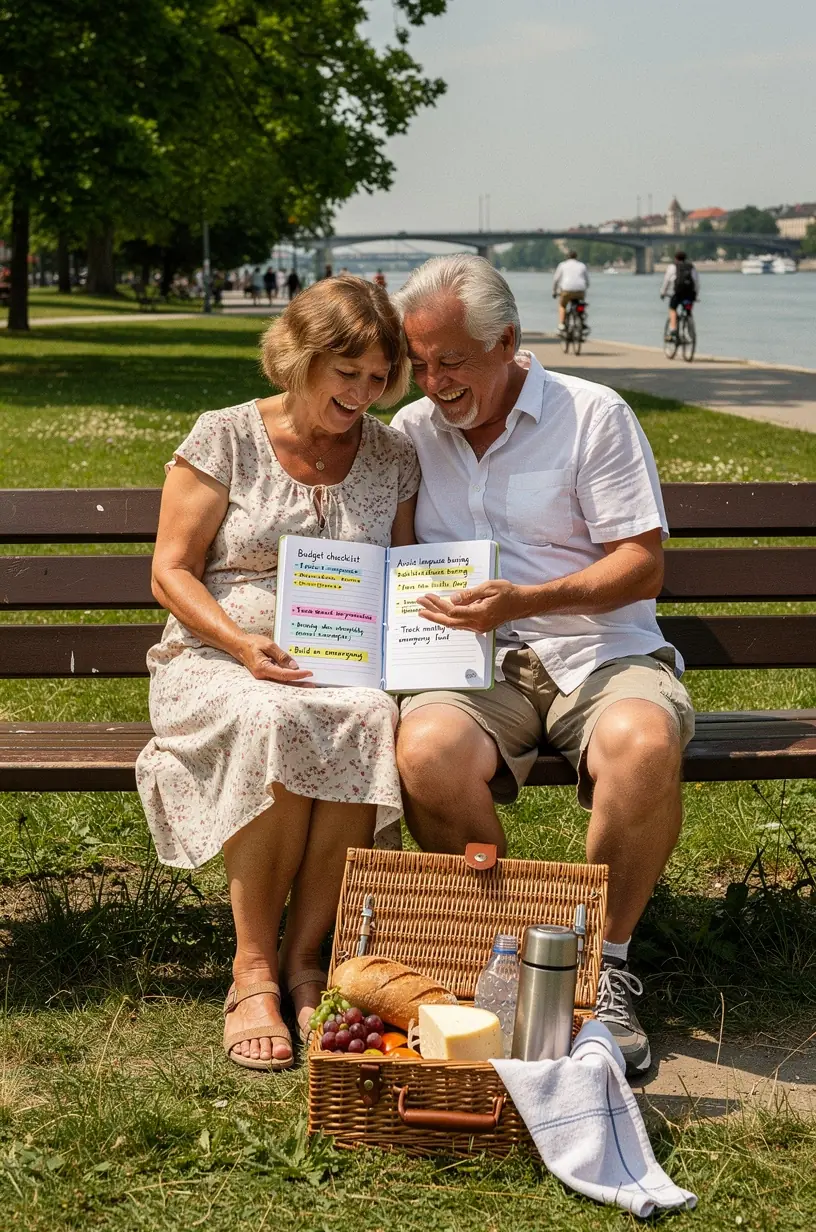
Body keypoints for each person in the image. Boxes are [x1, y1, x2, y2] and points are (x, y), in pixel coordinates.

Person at [390, 255, 695, 1077]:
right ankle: (513, 952)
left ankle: (604, 968)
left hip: (601, 649)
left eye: (452, 360)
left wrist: (522, 601)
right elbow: (394, 556)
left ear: (510, 343)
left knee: (642, 740)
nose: (434, 381)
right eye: (419, 362)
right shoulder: (415, 433)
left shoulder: (592, 414)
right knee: (423, 752)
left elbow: (641, 565)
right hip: (478, 662)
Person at [136, 276, 418, 1072]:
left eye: (378, 378)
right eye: (348, 373)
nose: (363, 394)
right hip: (215, 659)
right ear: (300, 358)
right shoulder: (224, 435)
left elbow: (401, 572)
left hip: (340, 664)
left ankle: (307, 962)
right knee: (272, 718)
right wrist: (241, 644)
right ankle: (252, 970)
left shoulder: (390, 451)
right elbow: (171, 572)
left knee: (368, 717)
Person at [660, 251, 699, 340]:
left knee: (672, 309)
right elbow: (696, 283)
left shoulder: (672, 267)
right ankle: (689, 330)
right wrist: (695, 295)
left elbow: (666, 281)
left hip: (677, 293)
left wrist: (663, 292)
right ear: (685, 258)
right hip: (689, 294)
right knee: (688, 310)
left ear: (675, 258)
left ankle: (673, 330)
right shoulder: (691, 267)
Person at [552, 249, 589, 334]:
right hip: (580, 290)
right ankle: (581, 321)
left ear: (567, 257)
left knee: (562, 305)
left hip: (566, 290)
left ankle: (561, 325)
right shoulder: (582, 265)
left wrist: (554, 291)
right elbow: (587, 281)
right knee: (580, 304)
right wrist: (584, 288)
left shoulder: (562, 265)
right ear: (576, 257)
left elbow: (556, 279)